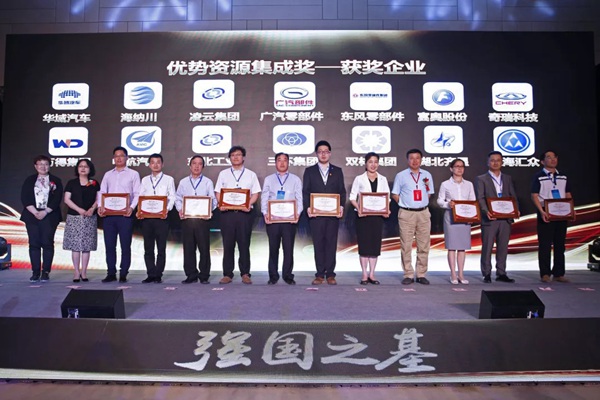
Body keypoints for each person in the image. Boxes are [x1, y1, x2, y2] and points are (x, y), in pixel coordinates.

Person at [214, 146, 261, 284]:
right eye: (233, 155)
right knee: (228, 244)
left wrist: (248, 204)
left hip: (244, 214)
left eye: (238, 154)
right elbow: (218, 192)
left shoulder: (251, 175)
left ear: (243, 157)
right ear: (229, 158)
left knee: (244, 244)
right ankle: (227, 274)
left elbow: (255, 193)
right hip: (227, 214)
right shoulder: (223, 174)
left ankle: (245, 273)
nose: (235, 157)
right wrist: (221, 203)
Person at [302, 140, 346, 285]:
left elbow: (342, 192)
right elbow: (306, 192)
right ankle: (320, 274)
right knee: (318, 244)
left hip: (332, 215)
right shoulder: (310, 171)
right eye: (320, 152)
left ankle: (331, 274)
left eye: (326, 151)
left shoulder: (337, 171)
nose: (323, 154)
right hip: (316, 215)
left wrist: (341, 207)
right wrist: (308, 208)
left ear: (330, 153)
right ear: (316, 154)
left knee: (331, 244)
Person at [97, 146, 141, 283]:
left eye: (121, 155)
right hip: (109, 216)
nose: (119, 158)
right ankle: (111, 272)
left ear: (127, 158)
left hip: (125, 215)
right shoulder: (108, 174)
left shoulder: (133, 174)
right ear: (113, 158)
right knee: (110, 246)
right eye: (116, 156)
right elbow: (102, 192)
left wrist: (132, 207)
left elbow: (137, 193)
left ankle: (123, 273)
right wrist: (100, 206)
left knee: (125, 246)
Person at [475, 151, 519, 283]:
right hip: (490, 218)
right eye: (492, 160)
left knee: (503, 247)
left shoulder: (507, 178)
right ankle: (486, 273)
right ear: (488, 162)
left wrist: (516, 209)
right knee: (487, 246)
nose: (495, 163)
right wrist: (485, 211)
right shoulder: (481, 179)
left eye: (498, 160)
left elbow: (512, 196)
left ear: (502, 162)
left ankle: (501, 273)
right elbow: (480, 197)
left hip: (505, 218)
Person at [391, 149, 434, 285]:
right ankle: (408, 274)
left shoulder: (427, 175)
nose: (415, 161)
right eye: (412, 158)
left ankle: (421, 274)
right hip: (406, 213)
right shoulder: (401, 175)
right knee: (406, 245)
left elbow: (429, 193)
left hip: (423, 213)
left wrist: (420, 204)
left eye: (417, 158)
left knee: (424, 245)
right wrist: (404, 204)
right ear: (407, 160)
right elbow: (395, 194)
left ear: (421, 160)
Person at [531, 150, 573, 283]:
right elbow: (534, 195)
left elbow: (567, 193)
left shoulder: (563, 176)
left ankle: (559, 273)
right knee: (545, 244)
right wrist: (541, 211)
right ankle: (545, 273)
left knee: (560, 244)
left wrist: (571, 209)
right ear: (542, 161)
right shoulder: (539, 176)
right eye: (549, 157)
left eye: (554, 157)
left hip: (562, 213)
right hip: (546, 212)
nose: (553, 159)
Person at [261, 152, 303, 285]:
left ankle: (288, 275)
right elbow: (264, 197)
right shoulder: (269, 179)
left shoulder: (295, 179)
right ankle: (273, 276)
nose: (282, 162)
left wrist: (297, 214)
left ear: (288, 162)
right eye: (279, 160)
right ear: (275, 163)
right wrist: (265, 213)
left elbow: (299, 198)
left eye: (285, 160)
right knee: (273, 248)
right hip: (273, 220)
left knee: (288, 249)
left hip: (289, 220)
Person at [349, 152, 390, 285]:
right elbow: (352, 197)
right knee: (364, 246)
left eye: (375, 162)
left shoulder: (383, 179)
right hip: (363, 217)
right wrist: (359, 208)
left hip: (377, 217)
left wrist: (386, 209)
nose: (373, 164)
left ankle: (372, 274)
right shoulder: (359, 179)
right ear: (366, 164)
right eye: (370, 162)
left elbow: (387, 197)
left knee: (374, 246)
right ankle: (364, 274)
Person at [20, 155, 63, 282]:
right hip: (31, 215)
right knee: (34, 244)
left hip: (49, 215)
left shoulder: (55, 180)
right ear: (35, 166)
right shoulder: (30, 180)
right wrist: (35, 212)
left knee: (47, 243)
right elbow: (25, 197)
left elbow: (57, 198)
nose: (43, 167)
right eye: (40, 164)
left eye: (46, 164)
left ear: (49, 166)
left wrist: (45, 211)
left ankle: (46, 272)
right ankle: (35, 272)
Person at [175, 155, 217, 284]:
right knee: (188, 248)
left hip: (202, 220)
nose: (197, 166)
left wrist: (208, 211)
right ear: (190, 165)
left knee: (204, 248)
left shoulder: (207, 182)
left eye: (199, 164)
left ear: (203, 167)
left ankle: (204, 275)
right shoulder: (183, 182)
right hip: (187, 219)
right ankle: (191, 275)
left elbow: (213, 200)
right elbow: (178, 198)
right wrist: (180, 210)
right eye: (194, 163)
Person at [138, 153, 176, 284]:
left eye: (158, 162)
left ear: (162, 164)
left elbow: (172, 197)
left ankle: (158, 274)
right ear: (149, 165)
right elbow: (141, 197)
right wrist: (140, 210)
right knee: (148, 248)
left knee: (161, 248)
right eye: (152, 162)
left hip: (162, 218)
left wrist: (167, 210)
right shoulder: (144, 180)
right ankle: (150, 274)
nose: (155, 165)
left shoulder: (168, 179)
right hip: (147, 218)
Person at [436, 158, 475, 285]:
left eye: (462, 166)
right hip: (451, 217)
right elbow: (439, 201)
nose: (459, 168)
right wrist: (448, 204)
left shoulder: (469, 184)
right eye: (457, 166)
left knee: (462, 247)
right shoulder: (445, 184)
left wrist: (472, 217)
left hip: (465, 217)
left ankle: (461, 274)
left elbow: (472, 201)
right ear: (451, 169)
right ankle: (453, 274)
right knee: (452, 247)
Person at [63, 159, 100, 282]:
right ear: (77, 168)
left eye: (86, 166)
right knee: (75, 246)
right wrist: (79, 210)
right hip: (74, 217)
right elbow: (67, 199)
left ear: (90, 169)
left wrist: (92, 209)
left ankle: (84, 272)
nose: (83, 168)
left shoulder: (94, 183)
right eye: (80, 166)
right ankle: (76, 272)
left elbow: (99, 198)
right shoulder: (71, 183)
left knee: (86, 246)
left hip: (90, 217)